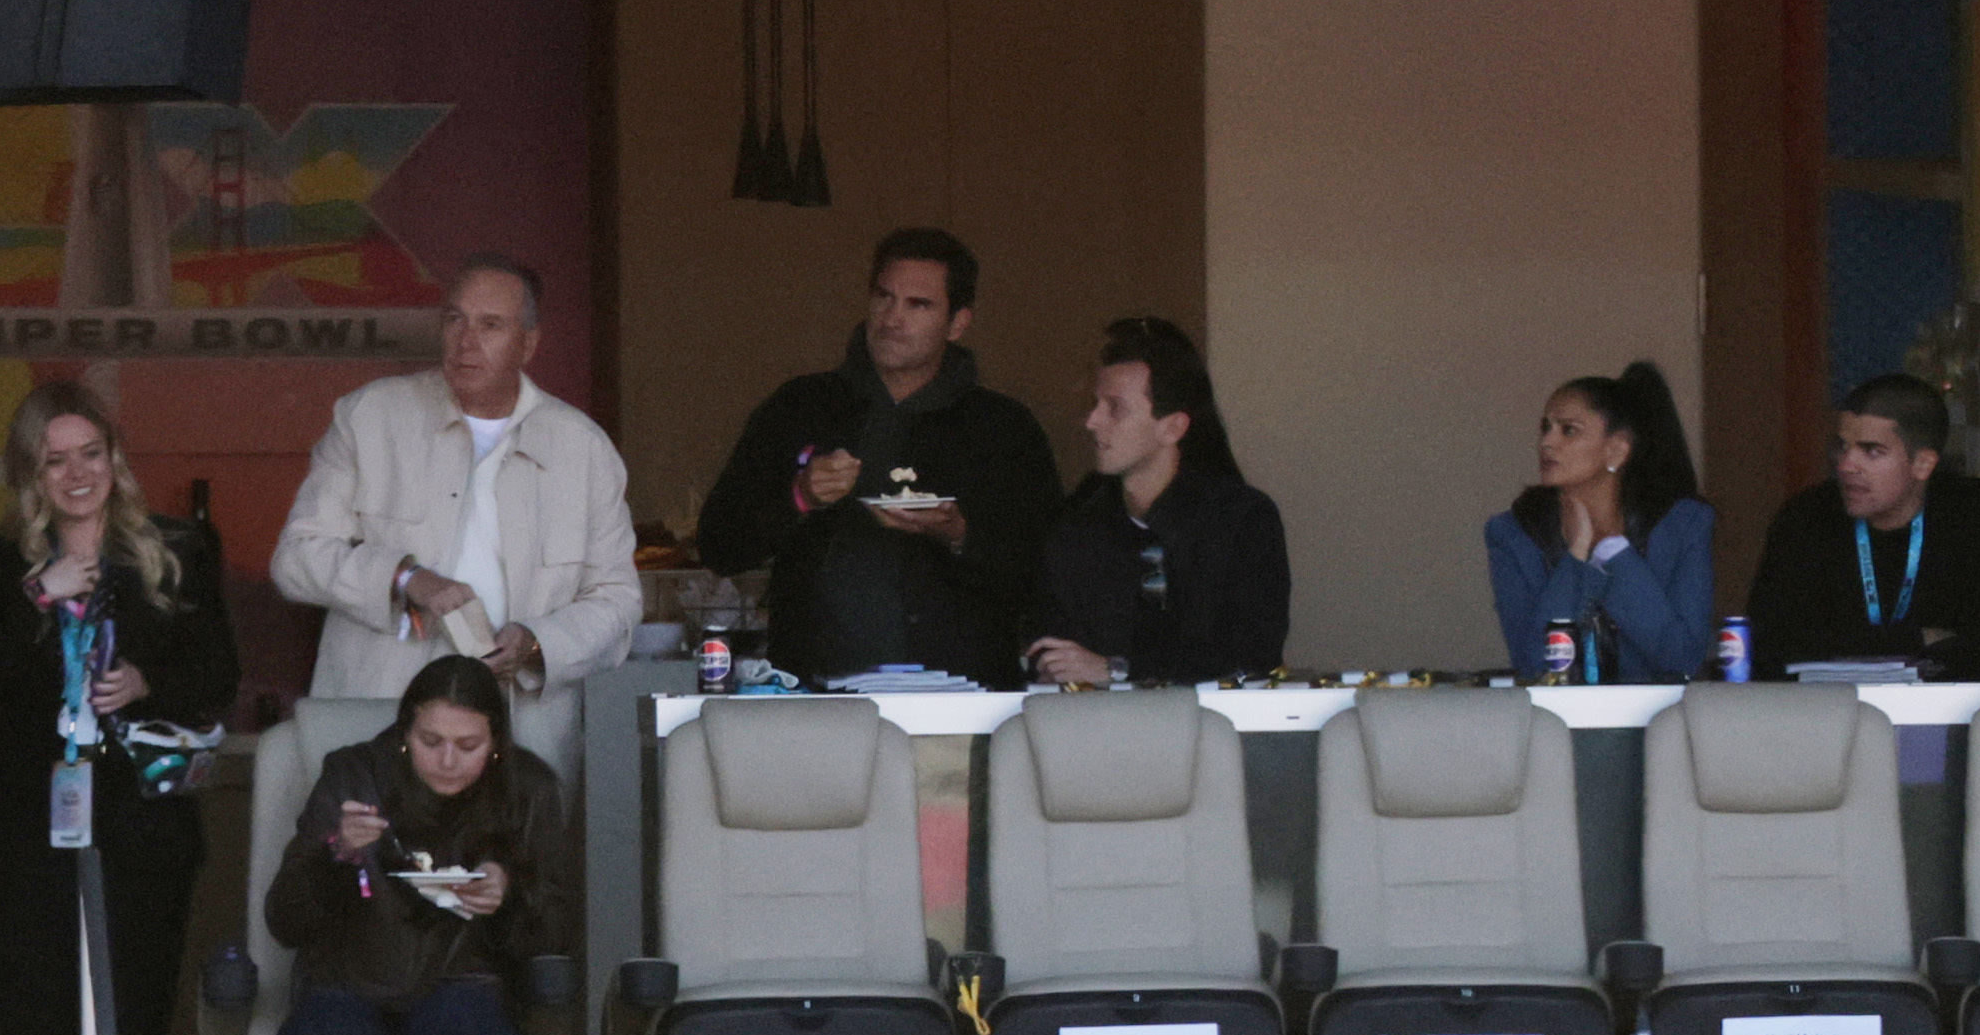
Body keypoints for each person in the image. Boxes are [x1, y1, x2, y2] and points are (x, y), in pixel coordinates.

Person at [271, 253, 639, 783]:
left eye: (491, 325)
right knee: (372, 862)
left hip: (518, 732)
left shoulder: (581, 447)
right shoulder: (369, 416)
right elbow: (297, 558)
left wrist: (538, 643)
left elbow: (618, 601)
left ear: (528, 344)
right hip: (379, 719)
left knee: (502, 866)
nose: (466, 341)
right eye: (454, 319)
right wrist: (403, 578)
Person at [0, 380, 238, 1035]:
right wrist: (37, 596)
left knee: (134, 1018)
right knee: (36, 1020)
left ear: (115, 457)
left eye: (91, 453)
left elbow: (218, 674)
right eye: (56, 460)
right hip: (30, 820)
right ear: (31, 471)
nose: (78, 475)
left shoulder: (179, 548)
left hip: (141, 820)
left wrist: (146, 681)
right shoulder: (1, 561)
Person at [268, 654, 568, 1035]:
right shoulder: (354, 776)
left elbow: (553, 934)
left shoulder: (528, 788)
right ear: (404, 732)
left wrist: (508, 896)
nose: (449, 760)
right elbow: (285, 920)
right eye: (430, 741)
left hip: (464, 984)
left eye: (468, 744)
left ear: (497, 743)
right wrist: (338, 856)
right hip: (348, 983)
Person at [696, 228, 1063, 688]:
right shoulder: (802, 407)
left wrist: (962, 535)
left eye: (918, 304)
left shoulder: (1002, 428)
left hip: (962, 698)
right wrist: (800, 497)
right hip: (814, 693)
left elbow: (1052, 571)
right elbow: (718, 545)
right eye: (883, 297)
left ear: (957, 323)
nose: (892, 318)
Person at [1028, 318, 1289, 686]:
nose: (1092, 421)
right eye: (1094, 404)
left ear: (1172, 427)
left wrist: (1117, 671)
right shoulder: (1076, 526)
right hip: (1091, 732)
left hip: (1212, 734)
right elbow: (1046, 638)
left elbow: (1253, 656)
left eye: (1115, 407)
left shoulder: (1241, 521)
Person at [1747, 373, 1980, 681]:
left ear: (1922, 464)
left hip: (1951, 714)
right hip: (1825, 716)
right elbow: (1767, 647)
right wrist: (1918, 638)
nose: (1845, 465)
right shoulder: (1807, 515)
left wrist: (1853, 641)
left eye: (1871, 451)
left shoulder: (1974, 512)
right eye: (1843, 447)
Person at [1485, 360, 1714, 682]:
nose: (1547, 442)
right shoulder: (1512, 533)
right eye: (1545, 428)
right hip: (1557, 723)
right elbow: (1534, 662)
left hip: (1660, 723)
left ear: (1616, 452)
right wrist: (1576, 558)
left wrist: (1613, 550)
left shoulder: (1684, 525)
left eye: (1569, 430)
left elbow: (1682, 657)